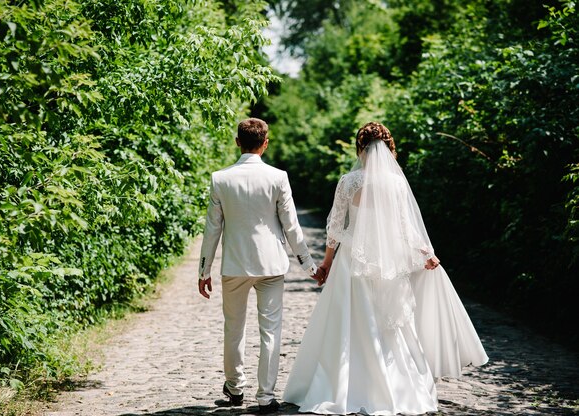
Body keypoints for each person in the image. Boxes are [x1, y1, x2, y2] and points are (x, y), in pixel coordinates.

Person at [283, 122, 488, 415]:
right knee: (389, 324)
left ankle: (342, 384)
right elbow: (406, 228)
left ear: (360, 149)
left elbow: (335, 228)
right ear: (389, 148)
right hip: (389, 261)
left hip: (352, 259)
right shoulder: (396, 183)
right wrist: (426, 253)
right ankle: (395, 385)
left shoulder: (348, 181)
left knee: (347, 323)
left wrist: (326, 264)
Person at [198, 118, 318, 413]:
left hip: (235, 265)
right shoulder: (278, 177)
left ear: (237, 142)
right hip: (271, 265)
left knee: (234, 328)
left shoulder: (220, 178)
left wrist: (204, 270)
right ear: (265, 143)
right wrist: (308, 263)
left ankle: (235, 388)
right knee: (271, 330)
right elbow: (291, 226)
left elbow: (212, 228)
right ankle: (266, 396)